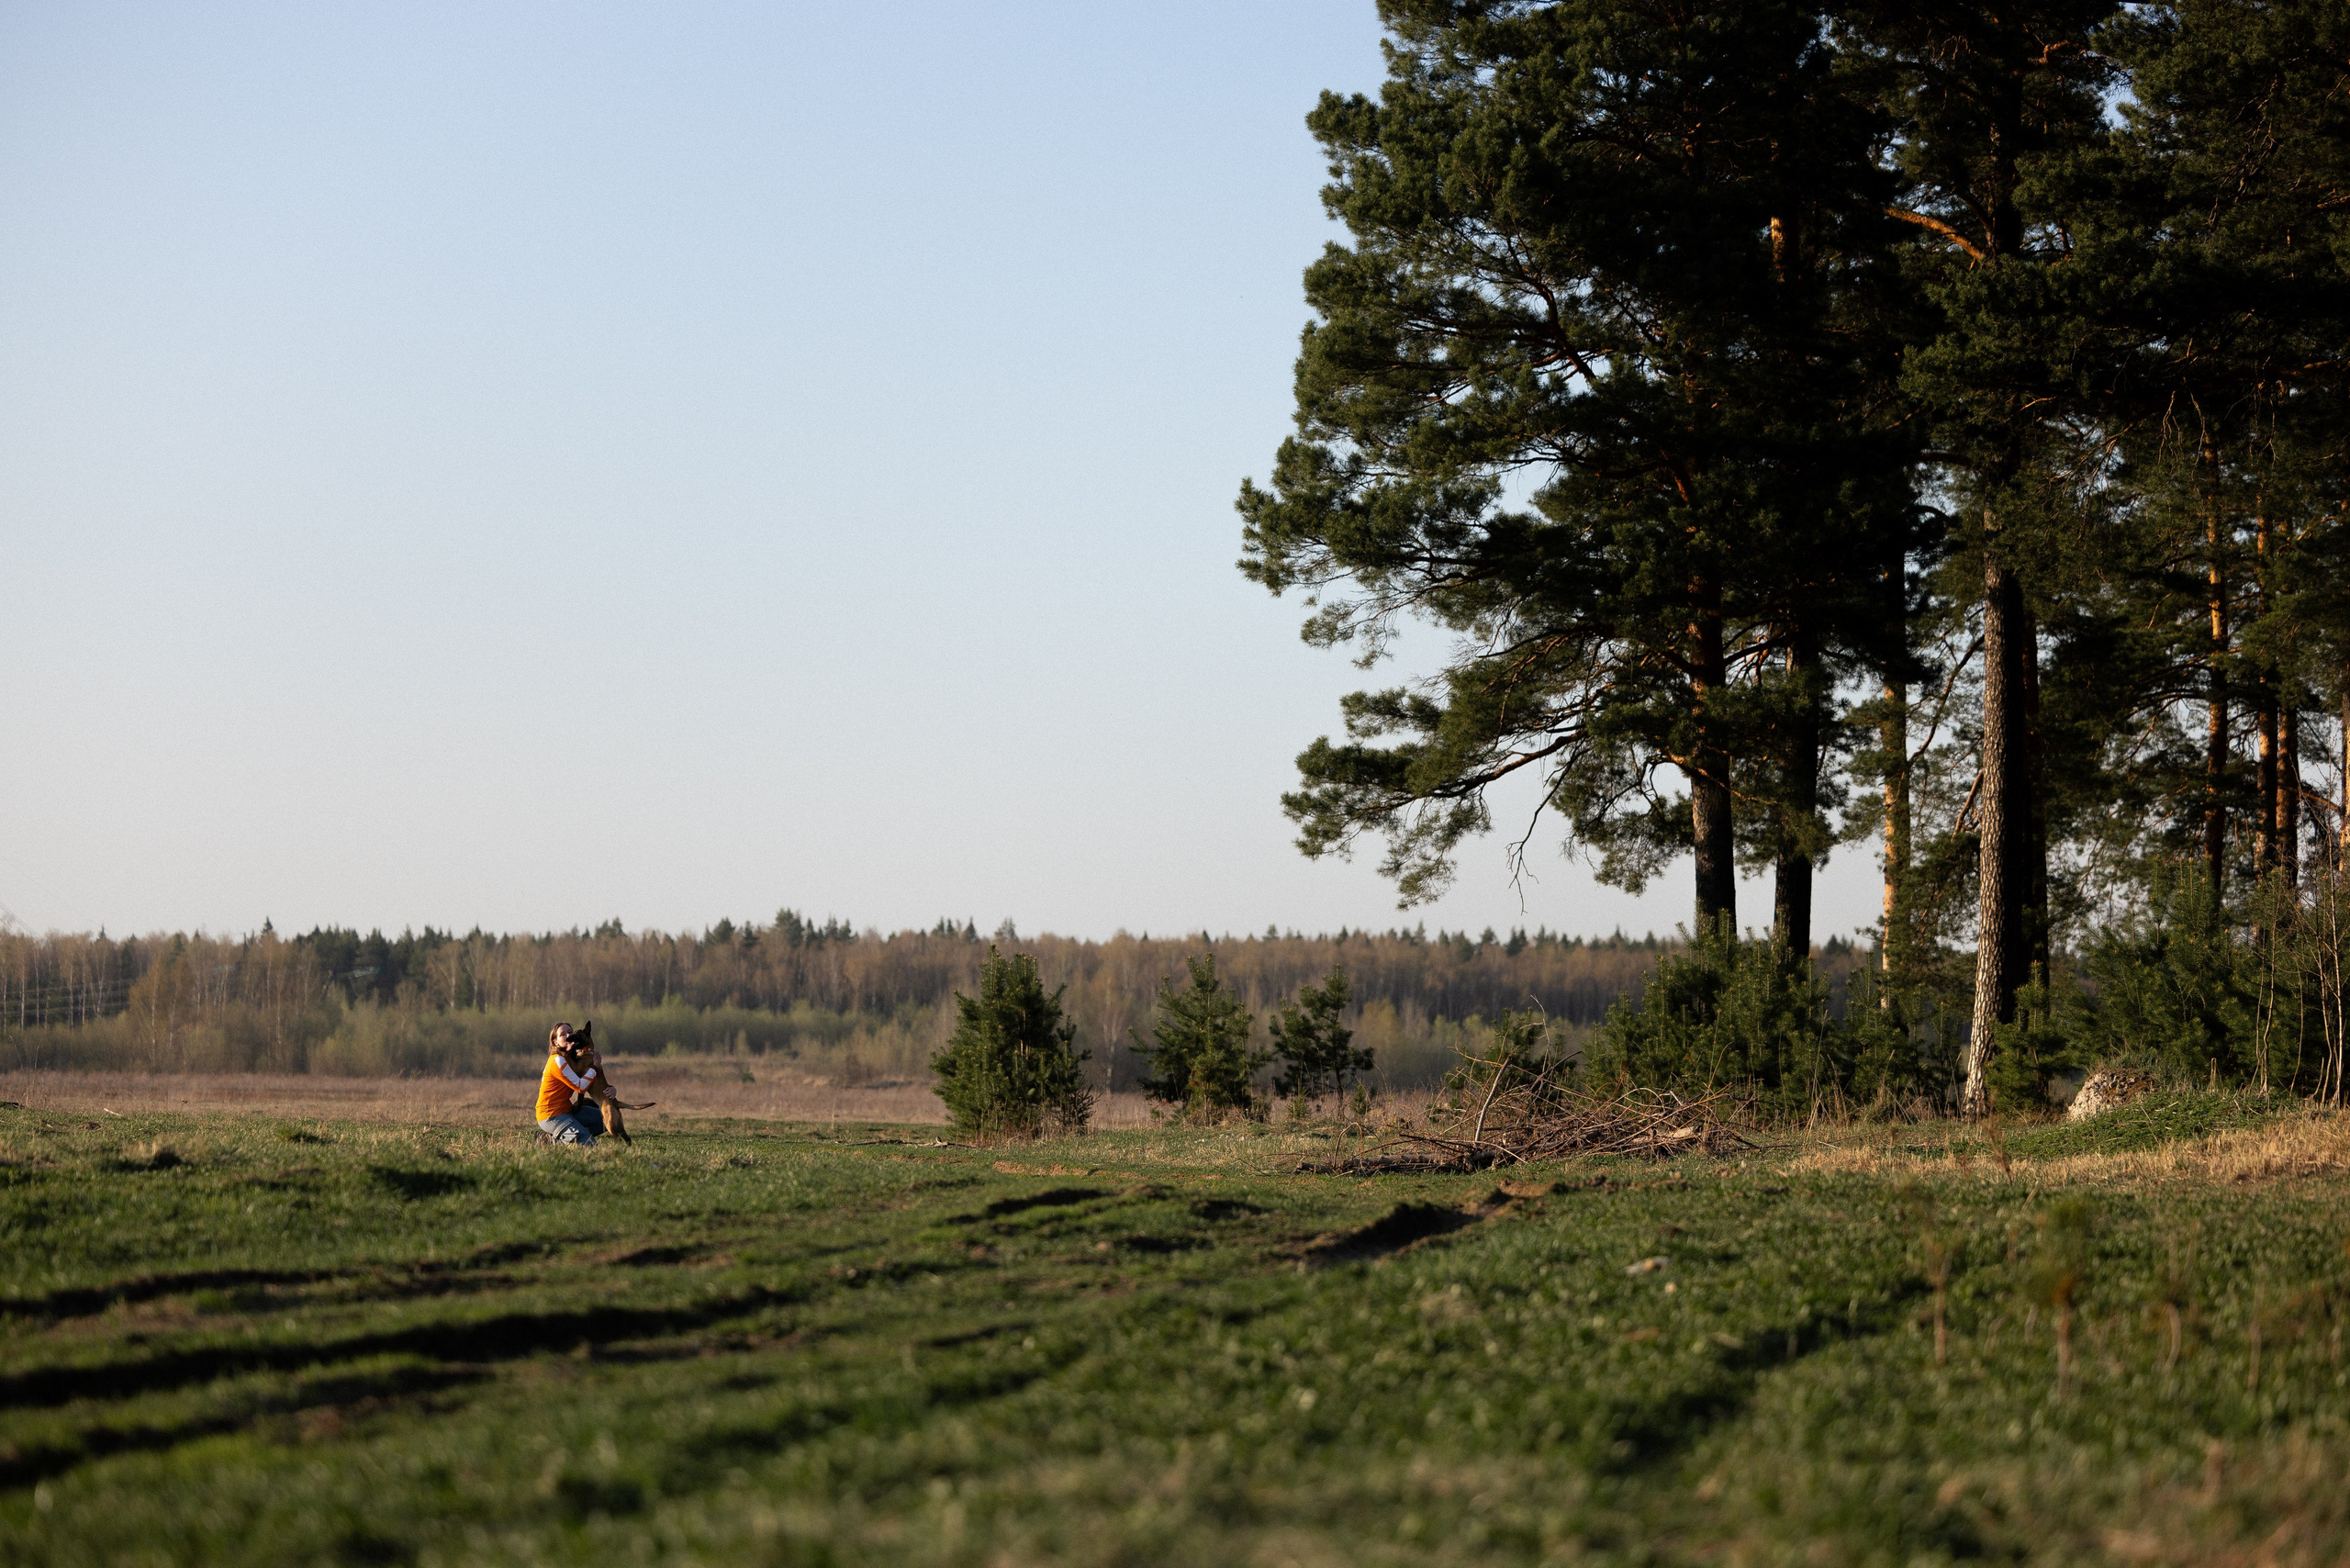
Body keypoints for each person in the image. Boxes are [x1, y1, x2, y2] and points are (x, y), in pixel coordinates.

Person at [536, 1023, 607, 1145]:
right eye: (563, 1034)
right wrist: (595, 1066)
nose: (568, 1035)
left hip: (567, 1111)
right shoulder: (558, 1060)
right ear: (555, 1043)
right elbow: (581, 1087)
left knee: (608, 1120)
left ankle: (563, 1136)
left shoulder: (573, 1060)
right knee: (588, 1143)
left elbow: (592, 1081)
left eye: (570, 1032)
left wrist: (610, 1089)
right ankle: (551, 1140)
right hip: (551, 1115)